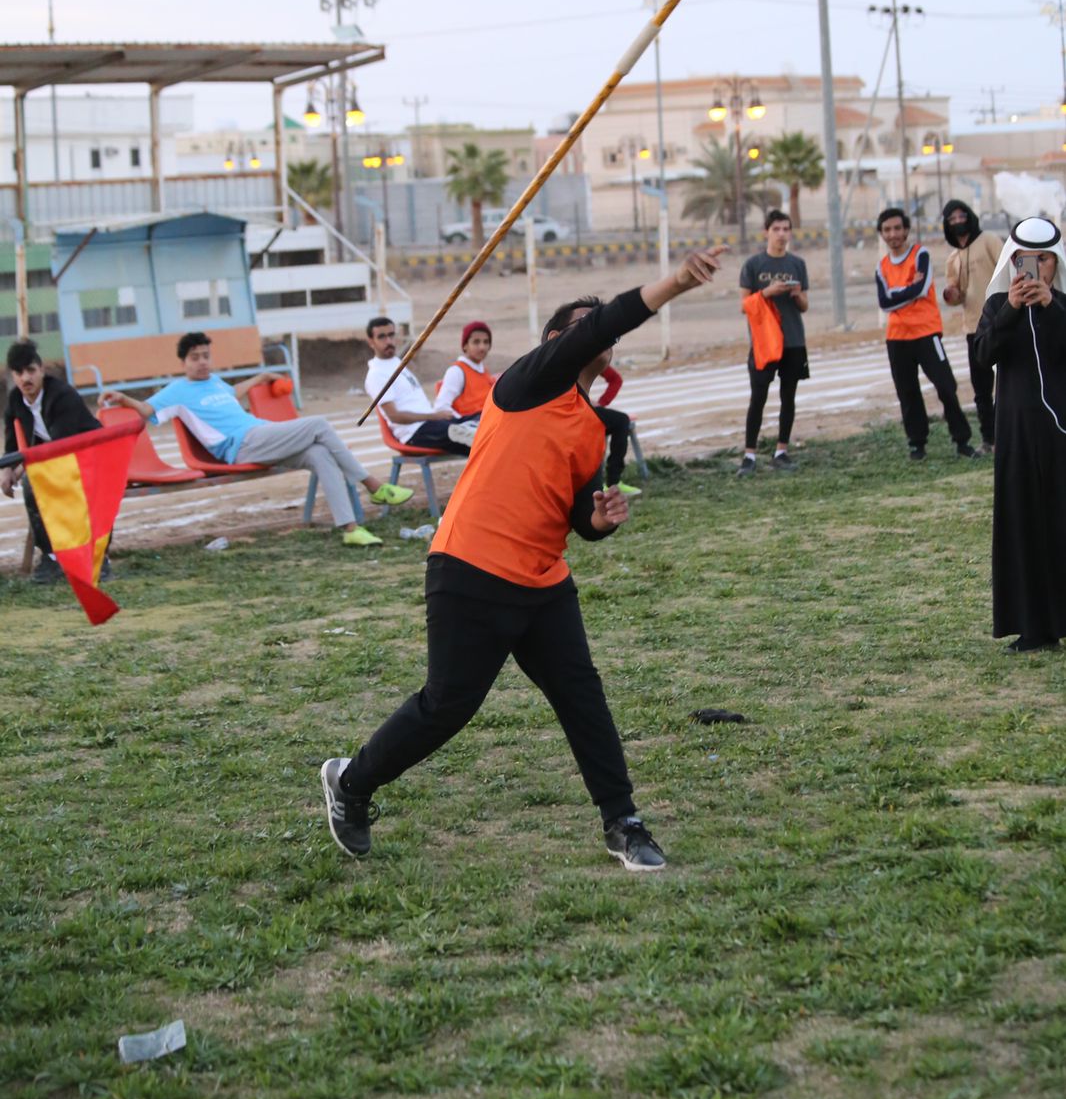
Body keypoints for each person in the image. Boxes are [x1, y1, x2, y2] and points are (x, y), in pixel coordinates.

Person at [321, 248, 725, 872]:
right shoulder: (526, 383)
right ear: (555, 341)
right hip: (470, 567)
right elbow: (600, 323)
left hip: (543, 582)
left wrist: (601, 520)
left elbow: (579, 520)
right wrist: (673, 283)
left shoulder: (590, 426)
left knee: (581, 696)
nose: (599, 332)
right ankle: (351, 783)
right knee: (447, 706)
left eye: (602, 328)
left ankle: (622, 822)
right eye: (585, 325)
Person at [101, 332, 411, 547]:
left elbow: (233, 393)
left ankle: (351, 529)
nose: (202, 362)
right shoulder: (177, 391)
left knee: (319, 453)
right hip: (241, 446)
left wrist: (261, 378)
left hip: (260, 435)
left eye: (206, 356)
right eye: (195, 358)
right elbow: (147, 411)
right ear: (183, 362)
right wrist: (123, 398)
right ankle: (373, 485)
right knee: (318, 424)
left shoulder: (215, 382)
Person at [973, 217, 1066, 652]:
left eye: (1043, 259)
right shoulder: (997, 306)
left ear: (1055, 263)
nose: (1036, 268)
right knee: (1023, 524)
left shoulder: (1062, 305)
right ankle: (1033, 628)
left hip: (1059, 433)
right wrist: (1011, 309)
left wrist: (1051, 307)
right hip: (1015, 433)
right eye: (1026, 260)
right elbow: (982, 355)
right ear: (1013, 263)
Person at [875, 207, 976, 460]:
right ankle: (917, 443)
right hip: (897, 337)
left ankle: (962, 440)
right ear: (882, 234)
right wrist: (905, 291)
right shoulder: (882, 266)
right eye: (887, 230)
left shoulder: (921, 254)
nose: (893, 234)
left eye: (897, 228)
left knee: (945, 386)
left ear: (906, 230)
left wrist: (898, 293)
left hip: (926, 332)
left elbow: (919, 289)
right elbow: (884, 303)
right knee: (907, 391)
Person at [2, 338, 103, 583]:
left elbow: (60, 445)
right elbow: (12, 441)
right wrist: (7, 470)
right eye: (19, 373)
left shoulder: (62, 395)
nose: (26, 378)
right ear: (13, 375)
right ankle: (51, 556)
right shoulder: (15, 399)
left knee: (37, 482)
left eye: (31, 370)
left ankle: (97, 558)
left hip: (92, 456)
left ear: (42, 370)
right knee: (32, 487)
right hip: (56, 460)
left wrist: (23, 466)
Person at [736, 208, 810, 475]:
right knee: (758, 398)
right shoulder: (753, 265)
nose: (781, 234)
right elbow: (744, 305)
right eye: (776, 229)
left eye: (786, 229)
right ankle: (749, 455)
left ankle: (781, 451)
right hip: (764, 343)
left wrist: (796, 294)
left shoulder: (797, 264)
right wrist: (767, 292)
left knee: (788, 397)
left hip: (793, 340)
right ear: (766, 232)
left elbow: (805, 306)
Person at [364, 317, 480, 454]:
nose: (388, 341)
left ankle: (469, 432)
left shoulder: (396, 363)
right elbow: (394, 416)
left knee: (483, 418)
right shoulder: (376, 374)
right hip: (415, 432)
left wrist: (435, 417)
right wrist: (434, 416)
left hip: (433, 423)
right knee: (471, 436)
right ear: (371, 342)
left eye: (391, 335)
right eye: (382, 337)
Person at [942, 199, 1003, 452]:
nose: (958, 221)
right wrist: (951, 295)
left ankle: (1008, 434)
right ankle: (990, 439)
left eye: (961, 216)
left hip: (1001, 322)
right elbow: (956, 296)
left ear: (970, 217)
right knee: (981, 390)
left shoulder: (989, 241)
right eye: (952, 219)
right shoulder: (953, 258)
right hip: (973, 329)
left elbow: (1007, 269)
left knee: (1007, 383)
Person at [593, 365, 641, 497]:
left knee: (620, 420)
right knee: (621, 421)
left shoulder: (590, 357)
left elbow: (615, 379)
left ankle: (611, 483)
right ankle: (611, 482)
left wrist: (601, 403)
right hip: (564, 409)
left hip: (580, 408)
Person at [433, 321, 495, 417]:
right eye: (476, 342)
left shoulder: (484, 372)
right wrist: (462, 422)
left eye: (486, 342)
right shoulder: (457, 371)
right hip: (470, 422)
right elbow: (441, 407)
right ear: (465, 345)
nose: (482, 347)